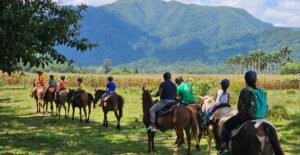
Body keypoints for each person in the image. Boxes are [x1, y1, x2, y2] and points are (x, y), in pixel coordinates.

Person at [219, 71, 259, 155]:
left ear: (246, 80)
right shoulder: (261, 91)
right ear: (256, 80)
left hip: (247, 117)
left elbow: (239, 106)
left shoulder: (245, 90)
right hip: (260, 117)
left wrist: (241, 111)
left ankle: (224, 147)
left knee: (225, 126)